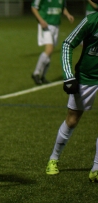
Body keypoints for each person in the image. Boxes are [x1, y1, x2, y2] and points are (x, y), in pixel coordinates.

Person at [45, 11, 98, 182]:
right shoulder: (91, 20)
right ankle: (53, 158)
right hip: (87, 77)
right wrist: (68, 76)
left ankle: (96, 168)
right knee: (72, 119)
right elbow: (68, 43)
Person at [30, 0, 74, 85]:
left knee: (50, 52)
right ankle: (36, 73)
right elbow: (34, 7)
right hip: (46, 24)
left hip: (56, 25)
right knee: (49, 49)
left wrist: (68, 15)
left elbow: (62, 8)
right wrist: (41, 20)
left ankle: (43, 76)